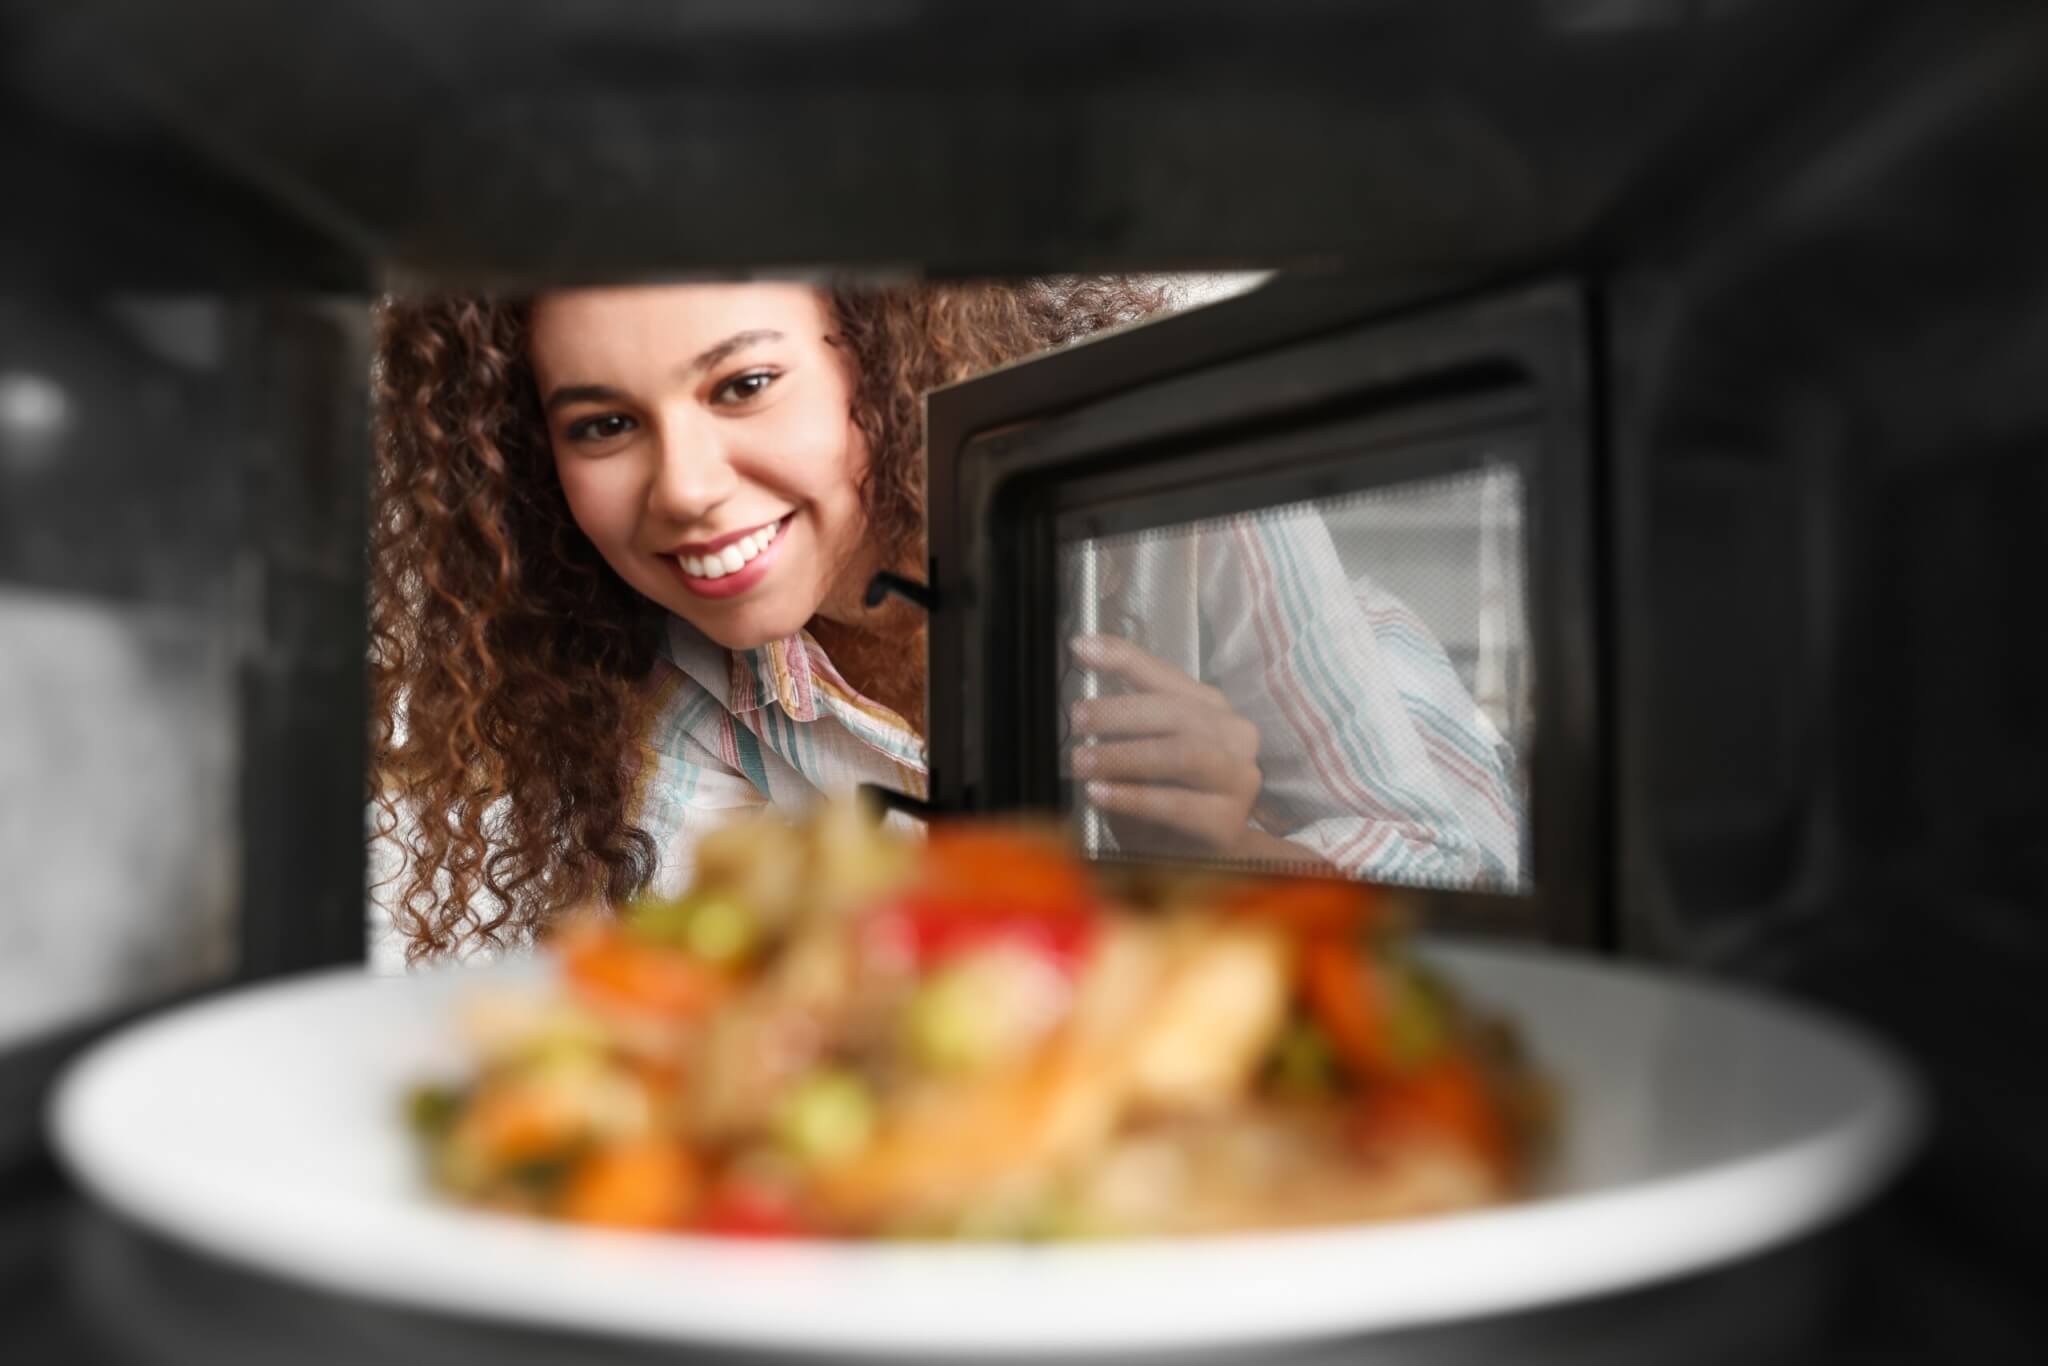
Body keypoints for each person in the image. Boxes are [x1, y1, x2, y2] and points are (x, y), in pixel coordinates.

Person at [370, 279, 1519, 965]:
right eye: (606, 424)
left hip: (1406, 757)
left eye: (742, 385)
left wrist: (1231, 853)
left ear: (873, 354)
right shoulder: (662, 703)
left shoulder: (1174, 514)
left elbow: (1464, 883)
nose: (684, 488)